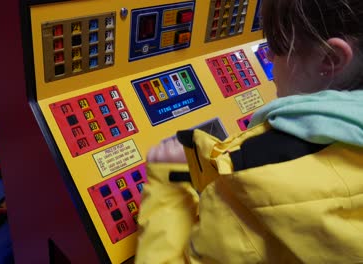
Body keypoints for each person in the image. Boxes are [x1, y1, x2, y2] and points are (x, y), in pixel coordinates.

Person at [135, 0, 363, 263]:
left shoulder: (259, 181)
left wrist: (168, 188)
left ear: (330, 58)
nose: (266, 57)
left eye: (277, 48)